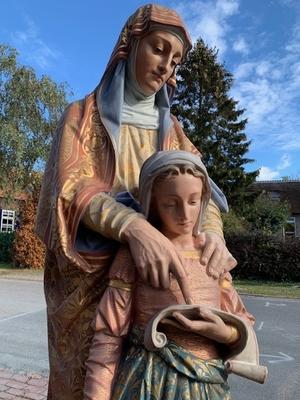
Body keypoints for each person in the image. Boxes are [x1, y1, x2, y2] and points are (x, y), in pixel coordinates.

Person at [36, 4, 236, 399]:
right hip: (92, 285)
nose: (167, 67)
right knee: (88, 383)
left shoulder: (174, 132)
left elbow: (203, 193)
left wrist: (212, 232)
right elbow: (72, 189)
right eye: (159, 49)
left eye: (175, 60)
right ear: (130, 45)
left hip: (155, 289)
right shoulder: (81, 116)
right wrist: (135, 227)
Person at [83, 150, 255, 400]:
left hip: (206, 386)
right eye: (171, 203)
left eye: (194, 201)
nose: (185, 214)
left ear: (205, 200)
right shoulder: (135, 255)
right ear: (152, 202)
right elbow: (108, 338)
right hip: (146, 383)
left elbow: (242, 321)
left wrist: (224, 333)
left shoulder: (212, 254)